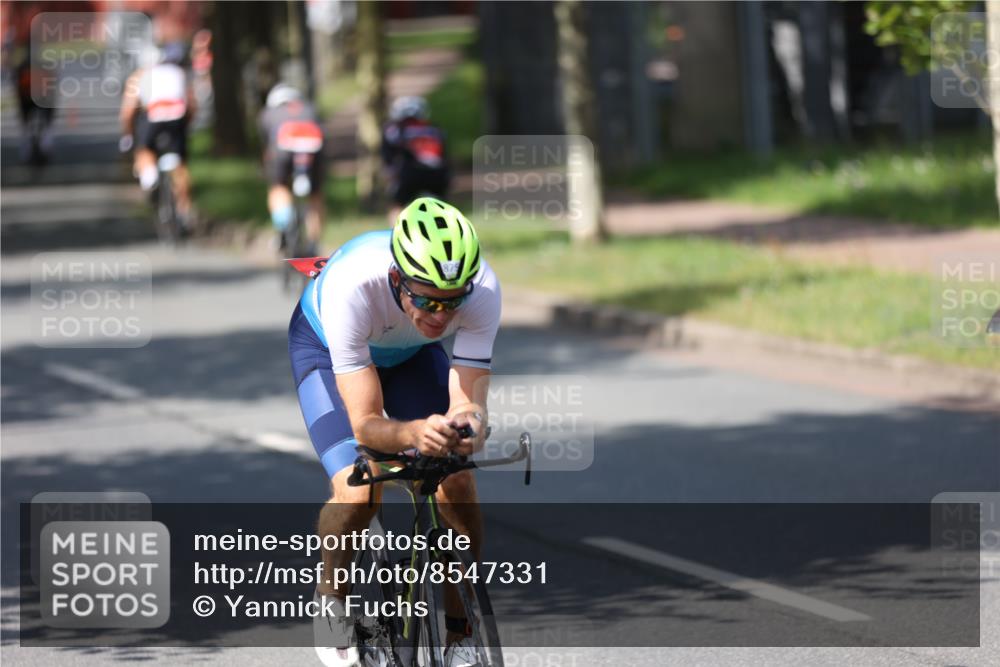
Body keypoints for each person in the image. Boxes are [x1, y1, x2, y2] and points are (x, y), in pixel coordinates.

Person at [289, 197, 499, 667]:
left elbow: (470, 405)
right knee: (358, 492)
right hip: (326, 349)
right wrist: (414, 432)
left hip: (408, 355)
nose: (440, 317)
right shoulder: (353, 285)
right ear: (395, 279)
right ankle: (332, 602)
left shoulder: (484, 289)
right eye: (426, 299)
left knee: (458, 479)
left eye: (452, 302)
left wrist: (468, 428)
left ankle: (462, 632)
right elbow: (365, 423)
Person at [119, 41, 197, 226]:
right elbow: (192, 104)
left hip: (153, 117)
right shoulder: (178, 73)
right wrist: (187, 125)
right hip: (177, 118)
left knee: (144, 151)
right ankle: (184, 209)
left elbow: (128, 111)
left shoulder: (139, 76)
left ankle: (150, 177)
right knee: (180, 164)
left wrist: (128, 134)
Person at [258, 83, 326, 252]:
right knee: (315, 195)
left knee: (278, 187)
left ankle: (284, 226)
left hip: (283, 150)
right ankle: (313, 241)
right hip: (313, 150)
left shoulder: (268, 114)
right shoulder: (310, 109)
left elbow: (267, 147)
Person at [382, 95, 450, 221]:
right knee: (439, 208)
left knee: (398, 206)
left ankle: (395, 233)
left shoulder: (393, 129)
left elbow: (389, 157)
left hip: (409, 173)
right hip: (437, 175)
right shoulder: (435, 129)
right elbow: (444, 155)